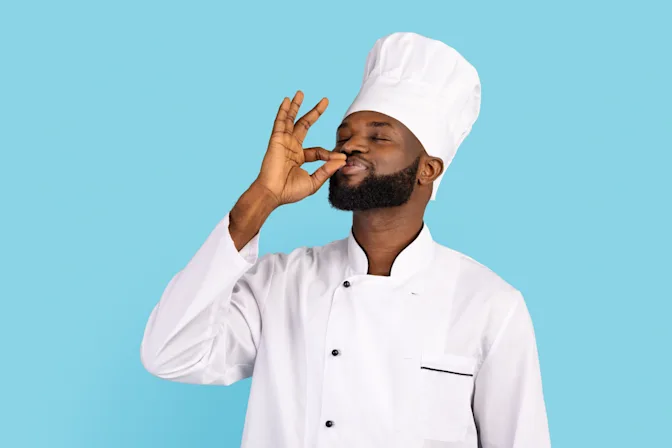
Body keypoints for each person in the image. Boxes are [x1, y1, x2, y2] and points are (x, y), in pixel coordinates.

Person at [140, 32, 551, 448]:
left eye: (378, 136)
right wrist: (261, 197)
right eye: (344, 136)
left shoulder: (489, 304)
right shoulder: (281, 284)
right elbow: (169, 354)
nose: (351, 145)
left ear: (428, 169)